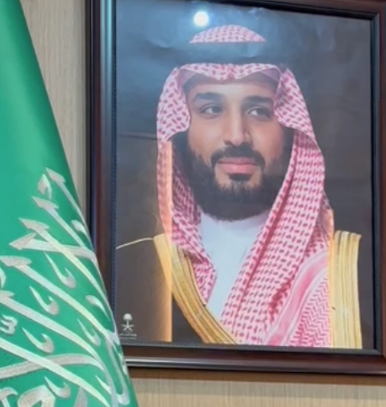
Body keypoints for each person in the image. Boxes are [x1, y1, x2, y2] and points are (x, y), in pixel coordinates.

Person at [118, 24, 360, 349]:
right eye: (211, 110)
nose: (236, 135)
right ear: (181, 126)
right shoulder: (139, 260)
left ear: (289, 129)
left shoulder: (335, 274)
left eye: (259, 111)